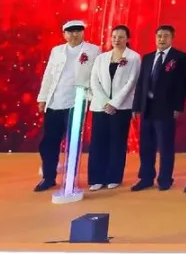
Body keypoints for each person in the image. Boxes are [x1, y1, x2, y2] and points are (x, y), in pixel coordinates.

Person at [35, 20, 100, 191]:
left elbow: (96, 76)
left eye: (78, 31)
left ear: (83, 32)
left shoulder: (93, 50)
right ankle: (48, 177)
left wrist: (92, 97)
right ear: (64, 34)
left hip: (76, 103)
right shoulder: (57, 51)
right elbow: (48, 75)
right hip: (54, 102)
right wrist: (42, 98)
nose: (74, 35)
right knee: (49, 143)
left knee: (73, 144)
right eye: (70, 32)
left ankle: (71, 180)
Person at [132, 25, 186, 192]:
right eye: (159, 36)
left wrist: (178, 106)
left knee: (165, 146)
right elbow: (141, 83)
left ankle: (165, 179)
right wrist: (136, 105)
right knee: (146, 146)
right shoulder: (148, 57)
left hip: (166, 108)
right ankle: (146, 178)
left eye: (165, 36)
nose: (162, 39)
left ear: (172, 38)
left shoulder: (180, 57)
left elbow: (182, 84)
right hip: (147, 108)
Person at [87, 25, 142, 190]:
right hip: (100, 106)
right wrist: (105, 102)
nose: (117, 40)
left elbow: (131, 83)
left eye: (121, 37)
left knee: (117, 142)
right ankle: (97, 178)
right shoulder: (101, 58)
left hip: (121, 107)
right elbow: (94, 81)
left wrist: (114, 103)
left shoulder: (134, 57)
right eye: (114, 37)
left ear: (127, 38)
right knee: (98, 142)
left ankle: (114, 177)